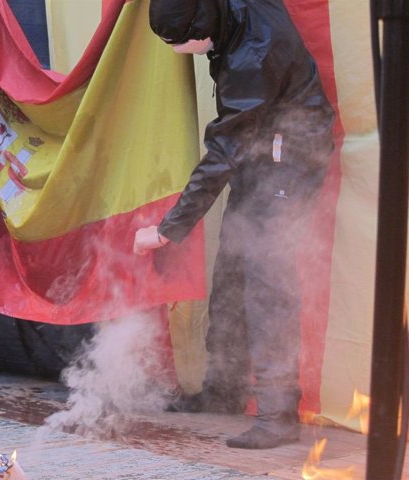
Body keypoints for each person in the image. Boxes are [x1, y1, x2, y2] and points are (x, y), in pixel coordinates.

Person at [134, 0, 335, 449]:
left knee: (267, 278)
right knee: (231, 268)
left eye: (181, 43)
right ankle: (223, 391)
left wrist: (167, 229)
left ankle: (278, 414)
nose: (181, 52)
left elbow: (224, 150)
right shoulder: (225, 12)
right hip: (260, 143)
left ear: (201, 24)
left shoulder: (253, 54)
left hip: (291, 156)